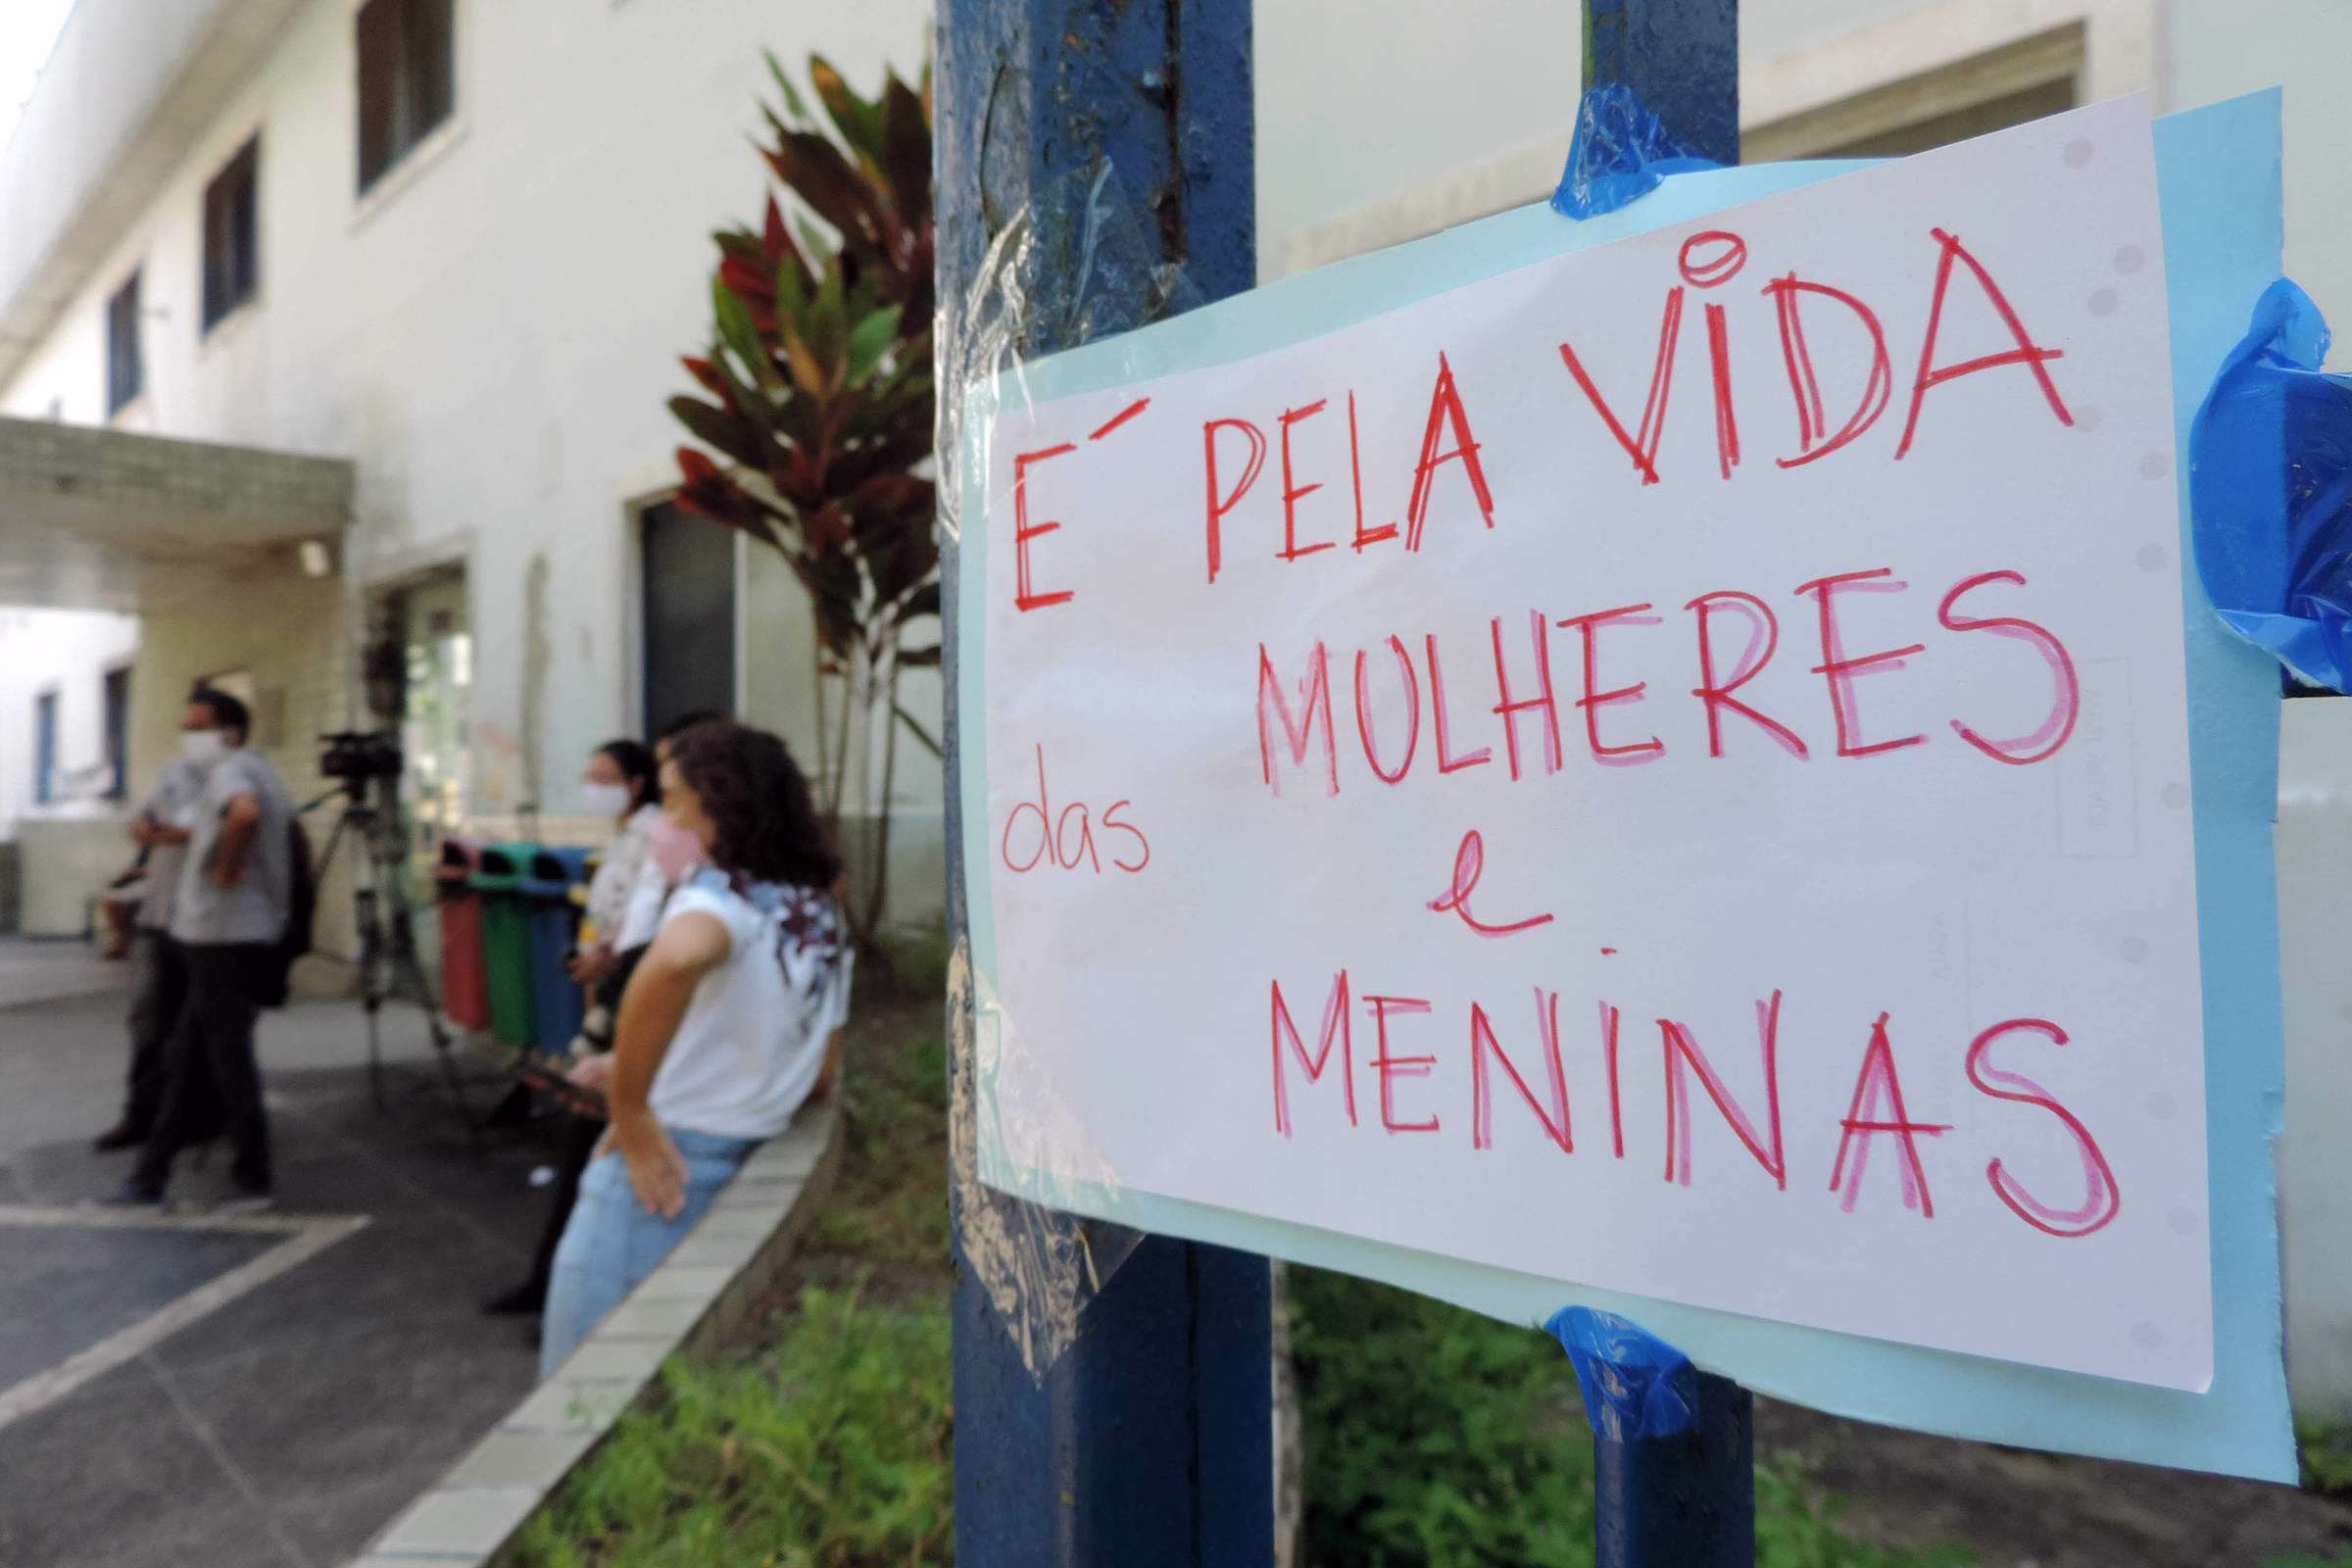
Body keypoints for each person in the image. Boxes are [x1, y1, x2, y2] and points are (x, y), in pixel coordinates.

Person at [539, 722, 851, 1374]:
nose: (662, 823)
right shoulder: (817, 913)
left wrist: (631, 1110)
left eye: (675, 801)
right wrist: (640, 1066)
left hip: (656, 1180)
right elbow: (819, 1072)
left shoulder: (715, 894)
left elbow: (675, 962)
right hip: (737, 1170)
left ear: (724, 807)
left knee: (585, 1388)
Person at [102, 686, 297, 1211]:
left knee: (228, 1060)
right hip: (217, 936)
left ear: (229, 733)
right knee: (188, 1057)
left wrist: (225, 867)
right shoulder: (253, 770)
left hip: (224, 936)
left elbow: (244, 814)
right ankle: (150, 1177)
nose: (189, 736)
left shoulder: (233, 770)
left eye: (198, 727)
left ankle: (252, 1179)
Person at [91, 748, 209, 1151]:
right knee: (146, 1018)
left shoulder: (237, 778)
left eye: (200, 726)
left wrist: (175, 834)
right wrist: (150, 830)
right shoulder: (173, 774)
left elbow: (222, 835)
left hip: (208, 924)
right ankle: (141, 1113)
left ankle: (202, 1116)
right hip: (158, 917)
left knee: (206, 1026)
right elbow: (141, 822)